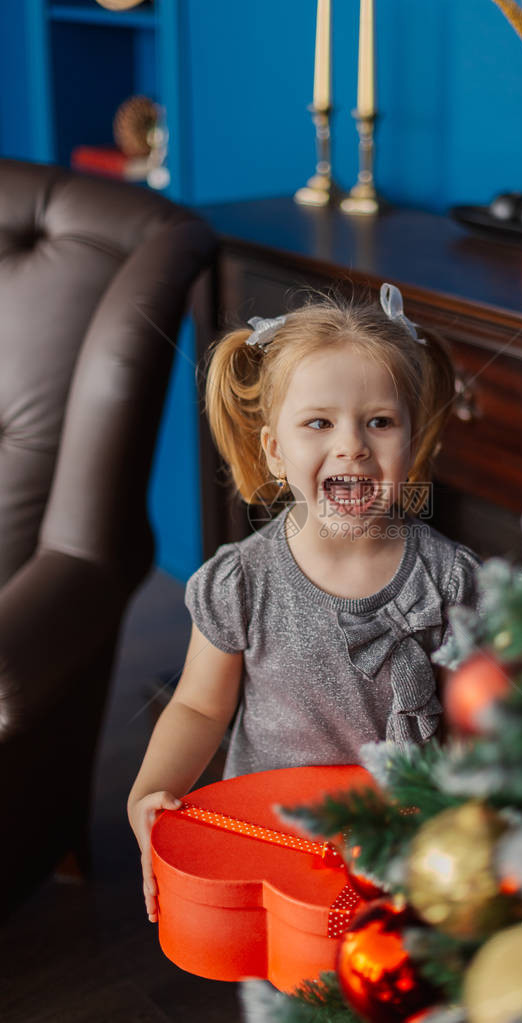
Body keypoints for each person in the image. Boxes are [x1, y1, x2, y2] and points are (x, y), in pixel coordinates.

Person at [127, 283, 480, 922]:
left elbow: (467, 722)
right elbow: (200, 707)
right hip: (273, 846)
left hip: (402, 854)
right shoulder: (242, 580)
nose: (351, 445)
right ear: (276, 452)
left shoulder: (450, 579)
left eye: (379, 421)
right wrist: (153, 789)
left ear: (411, 440)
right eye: (319, 423)